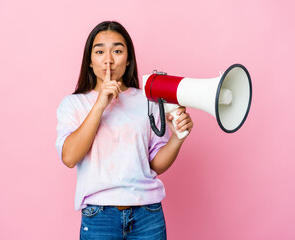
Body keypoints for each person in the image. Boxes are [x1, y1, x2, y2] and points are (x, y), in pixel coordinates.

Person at [55, 21, 193, 240]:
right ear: (90, 61)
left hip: (147, 215)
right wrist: (100, 104)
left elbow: (155, 165)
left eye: (117, 51)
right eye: (99, 51)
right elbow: (70, 157)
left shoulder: (148, 101)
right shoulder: (73, 104)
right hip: (99, 215)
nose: (108, 59)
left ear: (128, 60)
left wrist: (177, 138)